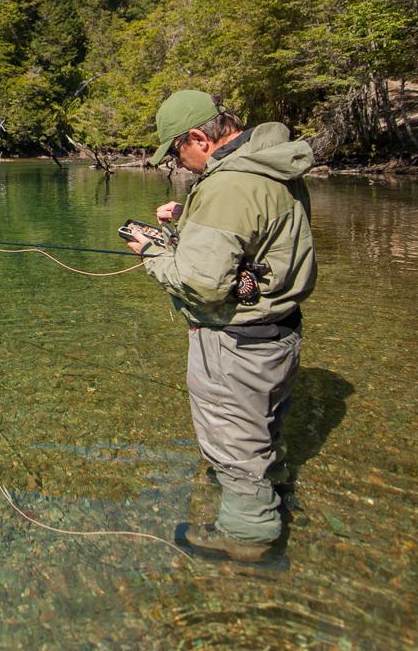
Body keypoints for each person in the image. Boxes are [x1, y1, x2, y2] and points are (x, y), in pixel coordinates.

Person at [124, 90, 317, 562]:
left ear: (197, 138)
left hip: (236, 343)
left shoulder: (228, 187)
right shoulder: (270, 166)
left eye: (175, 151)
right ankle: (271, 492)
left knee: (234, 444)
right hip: (278, 332)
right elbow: (257, 237)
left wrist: (150, 251)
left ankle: (248, 542)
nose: (176, 162)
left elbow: (203, 285)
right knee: (263, 429)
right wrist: (188, 220)